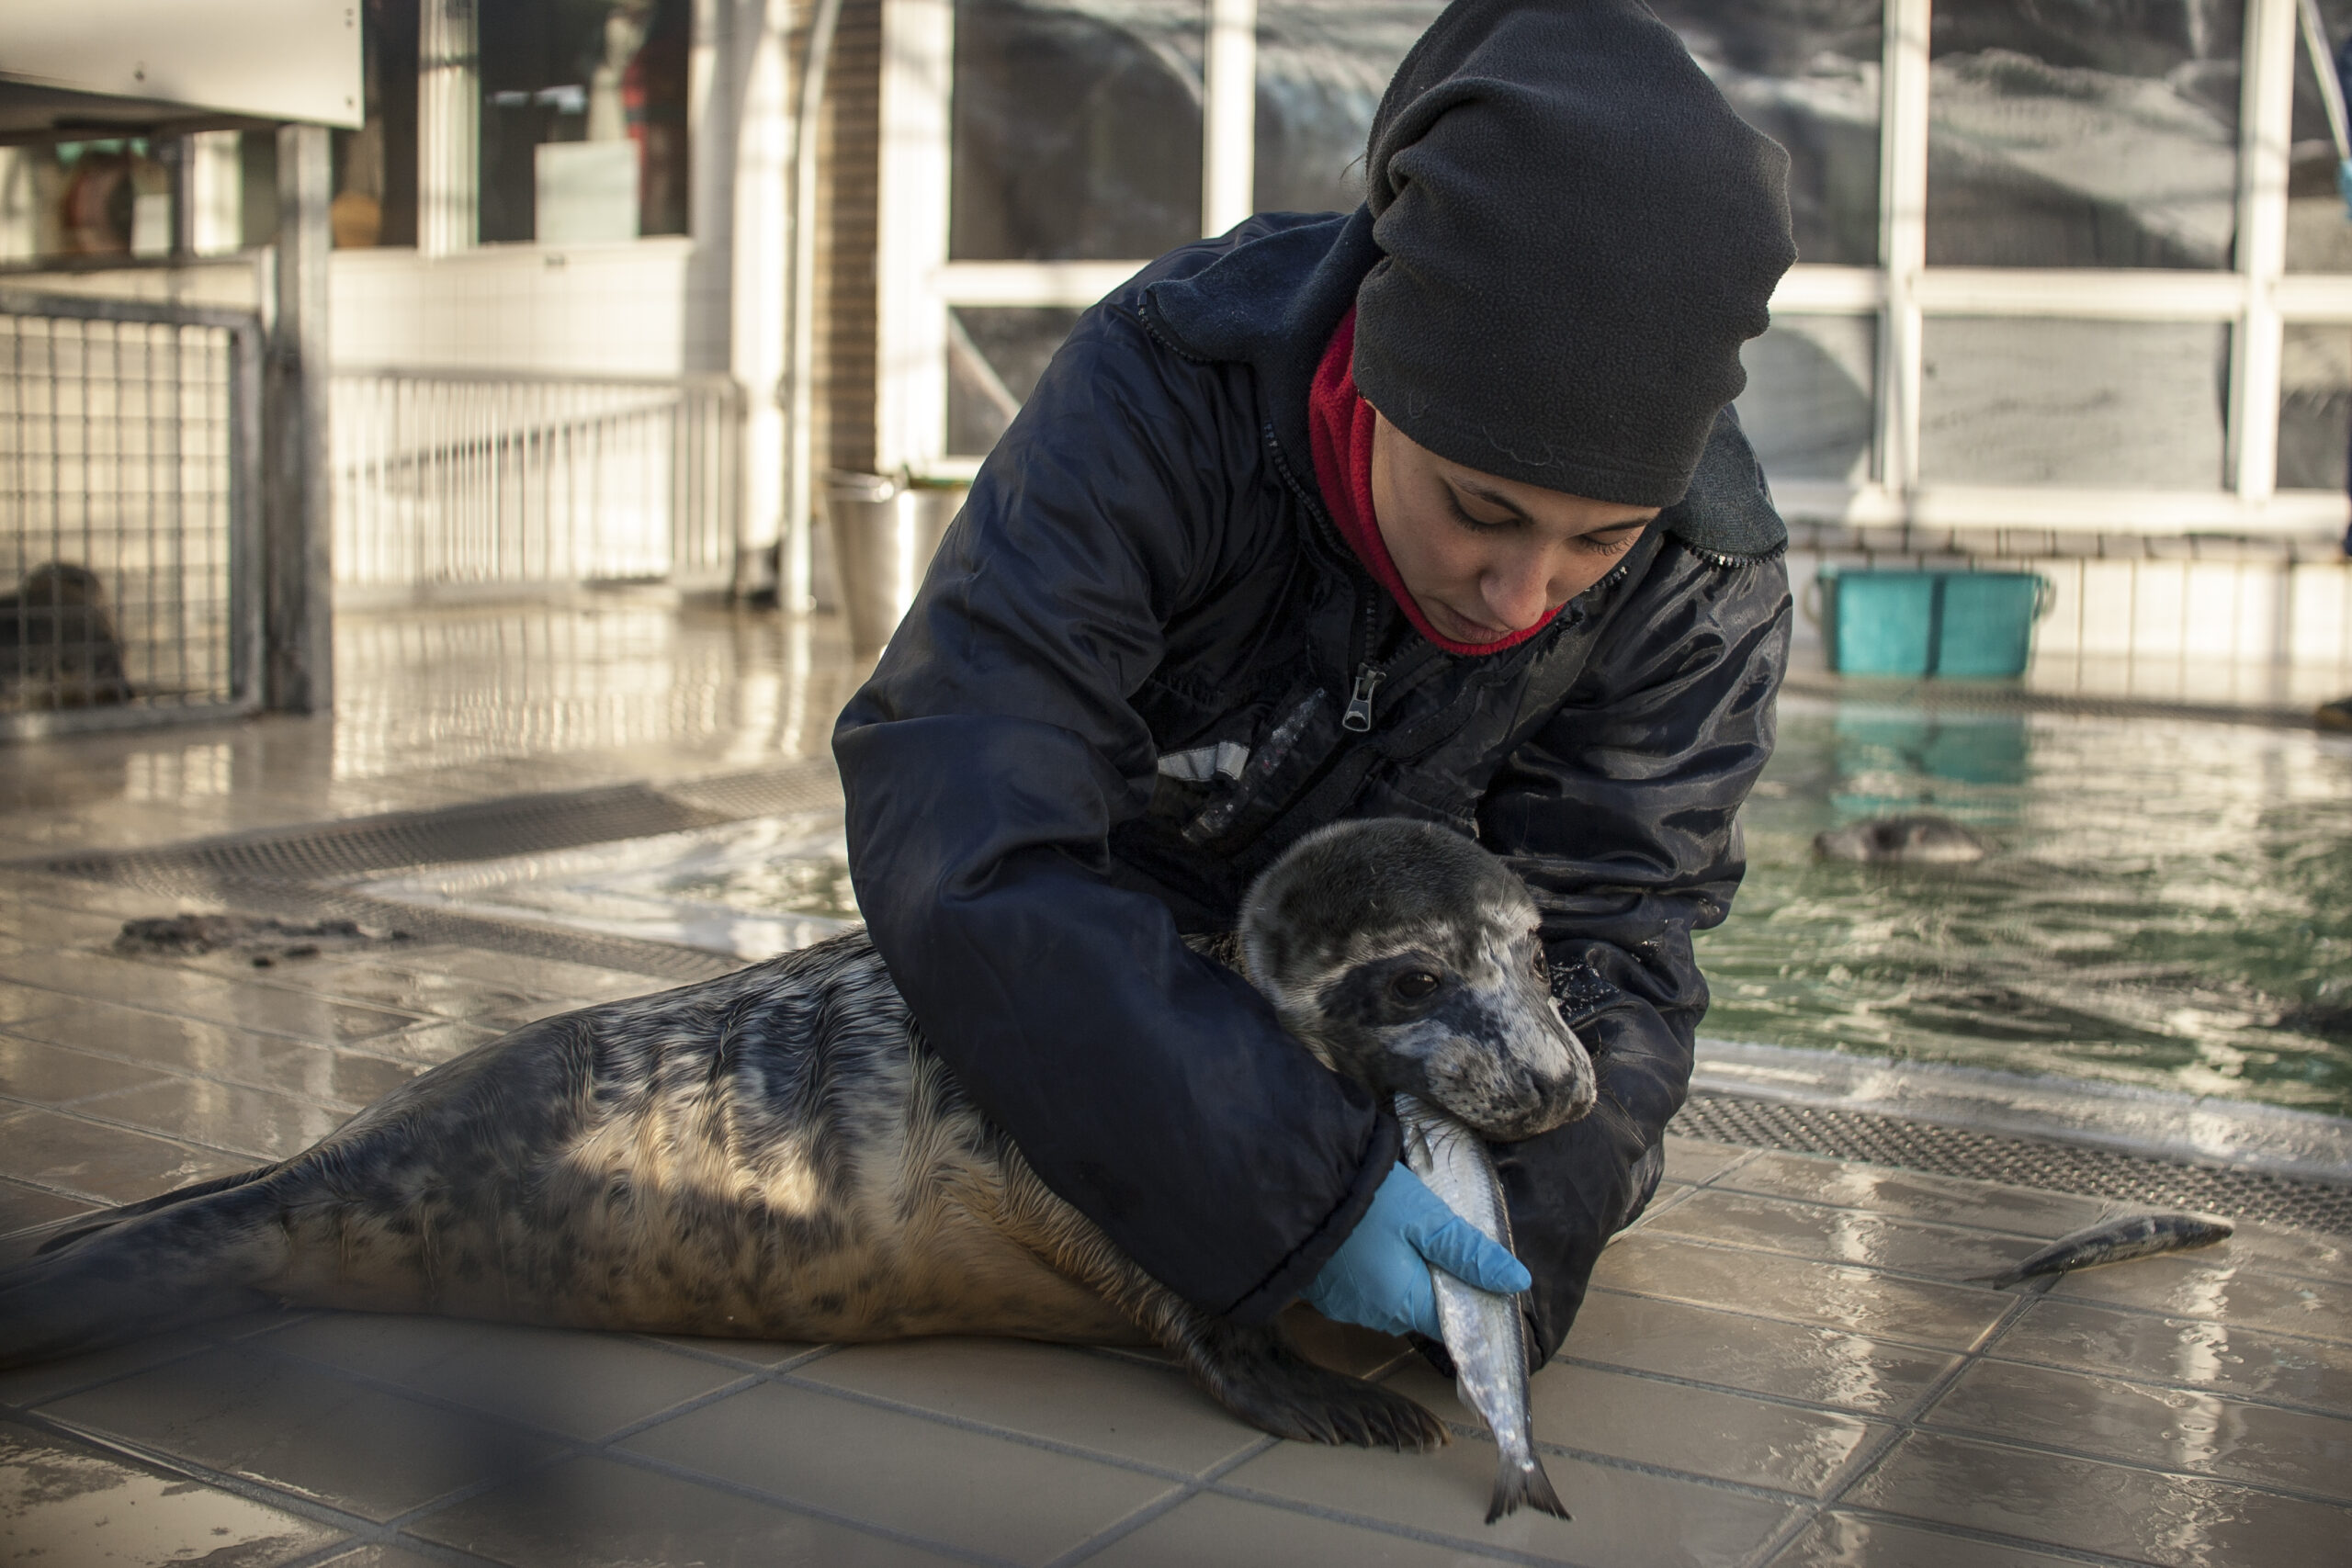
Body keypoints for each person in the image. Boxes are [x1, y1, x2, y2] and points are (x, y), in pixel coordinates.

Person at [833, 0, 1794, 1362]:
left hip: (1387, 1031)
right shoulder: (1163, 401)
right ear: (1378, 376)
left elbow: (1620, 942)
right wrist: (1281, 1194)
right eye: (1481, 507)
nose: (1520, 598)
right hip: (1102, 988)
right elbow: (970, 818)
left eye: (1598, 540)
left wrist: (1522, 1240)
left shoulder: (1703, 575)